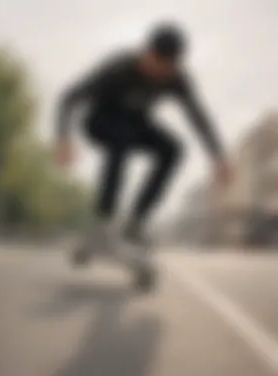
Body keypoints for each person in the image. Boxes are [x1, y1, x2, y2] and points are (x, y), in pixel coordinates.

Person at [54, 22, 232, 248]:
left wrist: (218, 156)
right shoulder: (119, 67)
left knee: (173, 149)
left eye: (166, 68)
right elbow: (70, 97)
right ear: (146, 53)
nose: (159, 73)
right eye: (156, 64)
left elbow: (198, 117)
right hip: (99, 121)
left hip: (137, 123)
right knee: (121, 138)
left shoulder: (176, 78)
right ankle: (103, 219)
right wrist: (63, 138)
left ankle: (136, 221)